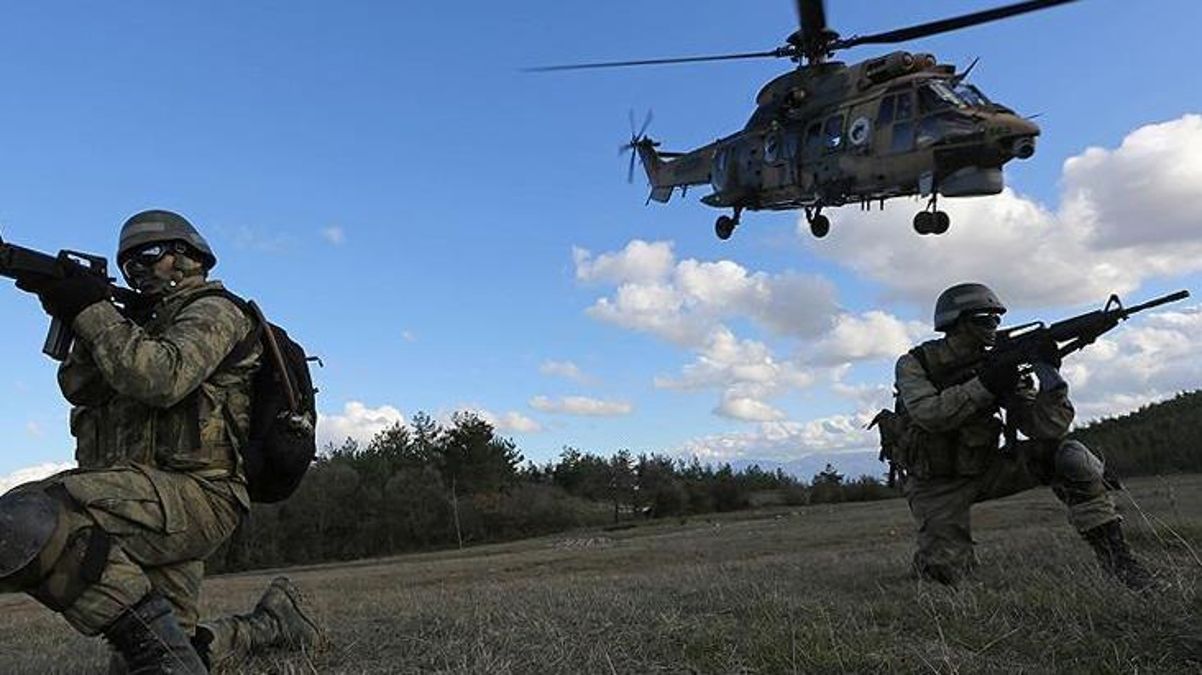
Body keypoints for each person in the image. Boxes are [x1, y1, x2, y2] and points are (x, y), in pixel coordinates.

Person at [0, 209, 320, 672]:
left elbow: (159, 376)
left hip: (199, 495)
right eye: (129, 265)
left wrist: (93, 310)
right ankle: (273, 624)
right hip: (147, 495)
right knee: (175, 650)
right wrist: (78, 308)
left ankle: (168, 656)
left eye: (150, 255)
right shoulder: (135, 325)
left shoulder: (216, 311)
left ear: (189, 255)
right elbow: (80, 387)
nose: (140, 270)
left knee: (28, 519)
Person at [893, 282, 1154, 589]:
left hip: (986, 469)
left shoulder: (998, 365)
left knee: (1070, 456)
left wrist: (1050, 379)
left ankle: (1121, 565)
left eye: (996, 319)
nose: (993, 326)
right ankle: (932, 564)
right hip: (935, 485)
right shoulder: (916, 363)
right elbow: (931, 415)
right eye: (983, 319)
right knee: (945, 578)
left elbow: (1045, 428)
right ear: (956, 323)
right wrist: (986, 384)